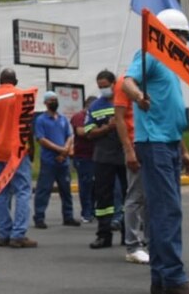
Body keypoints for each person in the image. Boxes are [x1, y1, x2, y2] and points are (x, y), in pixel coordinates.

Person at [121, 8, 189, 294]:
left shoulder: (172, 67)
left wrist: (184, 151)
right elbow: (127, 81)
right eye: (182, 36)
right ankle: (174, 277)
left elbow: (169, 115)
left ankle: (162, 279)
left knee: (163, 212)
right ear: (168, 35)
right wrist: (139, 96)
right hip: (153, 144)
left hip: (168, 143)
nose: (185, 43)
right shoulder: (149, 56)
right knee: (167, 211)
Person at [0, 68, 36, 249]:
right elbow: (27, 126)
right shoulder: (22, 96)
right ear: (15, 81)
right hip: (17, 151)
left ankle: (4, 234)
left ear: (0, 80)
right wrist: (32, 147)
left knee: (1, 192)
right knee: (22, 191)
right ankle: (18, 234)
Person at [86, 70, 126, 249]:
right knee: (103, 197)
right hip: (103, 157)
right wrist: (107, 128)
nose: (103, 90)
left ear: (114, 83)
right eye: (100, 87)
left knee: (129, 196)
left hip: (126, 155)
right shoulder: (95, 106)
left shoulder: (125, 101)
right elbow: (88, 132)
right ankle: (104, 234)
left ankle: (129, 234)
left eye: (106, 86)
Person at [114, 74, 149, 265]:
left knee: (150, 198)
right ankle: (133, 246)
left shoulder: (152, 80)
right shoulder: (125, 83)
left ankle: (151, 242)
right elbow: (119, 118)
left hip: (153, 143)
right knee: (135, 196)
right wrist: (129, 151)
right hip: (136, 144)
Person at [33, 91, 79, 229]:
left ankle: (68, 216)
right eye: (51, 100)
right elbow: (42, 139)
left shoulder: (63, 119)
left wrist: (66, 150)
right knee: (44, 189)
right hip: (49, 161)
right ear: (46, 103)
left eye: (55, 99)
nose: (54, 102)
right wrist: (60, 150)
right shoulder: (41, 120)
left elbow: (70, 136)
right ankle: (39, 217)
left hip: (62, 161)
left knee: (66, 190)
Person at [70, 96, 97, 224]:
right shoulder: (79, 117)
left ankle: (93, 210)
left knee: (95, 186)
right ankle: (86, 212)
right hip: (83, 157)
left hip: (96, 155)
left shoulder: (93, 117)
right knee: (86, 185)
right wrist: (97, 131)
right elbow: (81, 132)